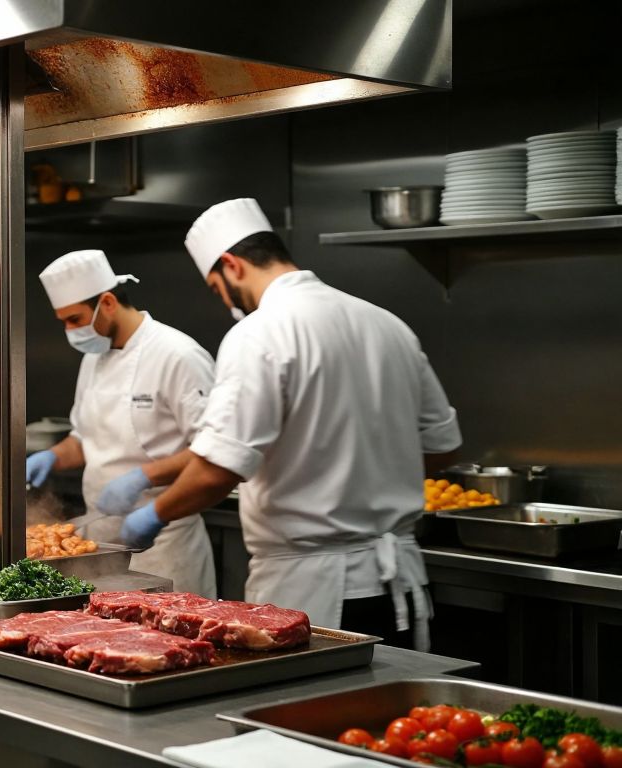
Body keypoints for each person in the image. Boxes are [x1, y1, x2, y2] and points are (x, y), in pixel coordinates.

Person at [120, 198, 461, 649]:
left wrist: (154, 514)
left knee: (312, 696)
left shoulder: (259, 333)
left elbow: (218, 471)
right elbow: (443, 446)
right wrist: (367, 476)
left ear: (231, 265)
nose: (224, 301)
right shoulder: (388, 324)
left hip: (313, 593)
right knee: (394, 694)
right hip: (401, 583)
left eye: (217, 288)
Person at [26, 249, 218, 597]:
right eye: (64, 322)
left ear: (108, 303)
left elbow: (214, 448)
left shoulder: (178, 354)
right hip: (99, 545)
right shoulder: (94, 357)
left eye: (75, 319)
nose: (70, 331)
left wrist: (144, 477)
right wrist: (52, 457)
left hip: (163, 543)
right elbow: (84, 439)